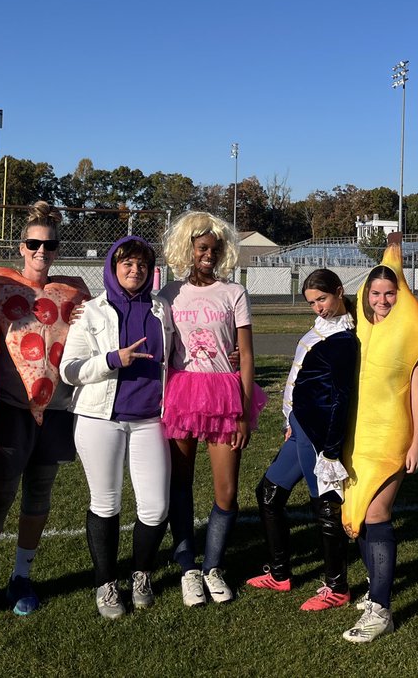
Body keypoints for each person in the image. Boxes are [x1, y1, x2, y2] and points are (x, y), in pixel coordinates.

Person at [0, 201, 90, 623]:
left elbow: (101, 326)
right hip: (9, 410)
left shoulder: (73, 292)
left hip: (55, 410)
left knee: (39, 497)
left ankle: (21, 577)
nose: (41, 251)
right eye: (33, 243)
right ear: (20, 246)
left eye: (49, 245)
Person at [61, 236, 175, 618]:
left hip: (150, 420)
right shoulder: (90, 312)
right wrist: (112, 359)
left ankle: (140, 573)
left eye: (142, 264)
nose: (134, 269)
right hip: (99, 419)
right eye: (126, 263)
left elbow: (181, 354)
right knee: (106, 503)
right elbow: (70, 370)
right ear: (112, 267)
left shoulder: (162, 309)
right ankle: (106, 583)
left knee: (156, 507)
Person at [159, 211, 266, 606]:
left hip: (225, 393)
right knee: (180, 482)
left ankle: (213, 566)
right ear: (187, 248)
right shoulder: (169, 294)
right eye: (201, 248)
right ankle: (188, 564)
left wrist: (240, 410)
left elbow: (249, 355)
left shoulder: (233, 293)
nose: (208, 255)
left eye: (214, 249)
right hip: (182, 392)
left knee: (227, 490)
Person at [340, 233, 418, 642]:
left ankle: (381, 608)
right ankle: (373, 590)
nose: (382, 300)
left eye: (390, 293)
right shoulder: (359, 327)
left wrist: (415, 443)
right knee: (360, 518)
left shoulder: (413, 329)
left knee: (377, 515)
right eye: (376, 292)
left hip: (391, 436)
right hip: (355, 439)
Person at [246, 269, 358, 611]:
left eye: (322, 299)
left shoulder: (344, 336)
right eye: (311, 302)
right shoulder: (323, 328)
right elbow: (299, 378)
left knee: (324, 504)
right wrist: (288, 418)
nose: (318, 308)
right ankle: (280, 574)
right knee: (268, 493)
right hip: (298, 426)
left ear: (339, 292)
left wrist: (330, 447)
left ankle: (337, 586)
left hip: (316, 431)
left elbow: (339, 396)